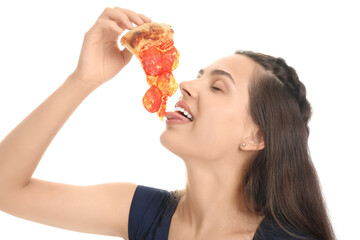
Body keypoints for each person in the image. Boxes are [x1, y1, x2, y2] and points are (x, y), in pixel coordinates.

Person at [0, 6, 335, 240]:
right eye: (200, 76)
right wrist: (83, 79)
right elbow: (5, 190)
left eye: (218, 87)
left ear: (255, 136)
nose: (186, 84)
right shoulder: (143, 212)